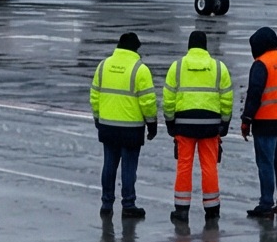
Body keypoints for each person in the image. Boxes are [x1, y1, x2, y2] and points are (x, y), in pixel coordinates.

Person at [160, 29, 233, 225]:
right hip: (210, 125)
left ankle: (182, 210)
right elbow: (227, 99)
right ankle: (212, 210)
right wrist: (224, 123)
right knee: (209, 166)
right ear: (206, 46)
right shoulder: (219, 68)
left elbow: (168, 99)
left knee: (184, 165)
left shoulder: (177, 67)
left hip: (184, 124)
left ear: (189, 46)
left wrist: (170, 122)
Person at [89, 32, 158, 218]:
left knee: (109, 165)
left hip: (107, 125)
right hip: (131, 128)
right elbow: (148, 102)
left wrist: (98, 119)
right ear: (136, 48)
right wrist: (152, 124)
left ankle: (106, 203)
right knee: (129, 168)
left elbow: (94, 96)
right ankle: (128, 204)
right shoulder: (140, 69)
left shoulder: (103, 66)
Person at [240, 26, 277, 217]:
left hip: (265, 122)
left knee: (265, 163)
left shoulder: (261, 64)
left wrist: (246, 120)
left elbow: (254, 94)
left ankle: (266, 204)